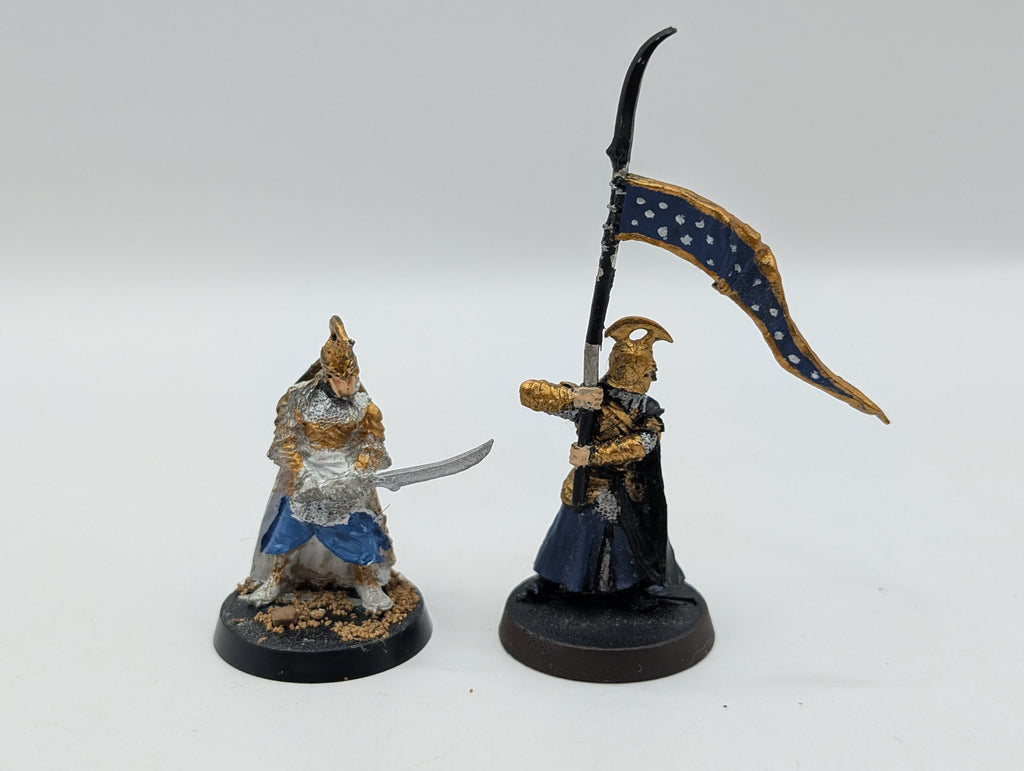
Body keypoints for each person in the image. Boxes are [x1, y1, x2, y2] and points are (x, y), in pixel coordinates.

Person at [519, 316, 684, 602]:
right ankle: (551, 580)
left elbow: (642, 444)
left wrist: (593, 455)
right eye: (647, 373)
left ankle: (631, 588)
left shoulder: (646, 409)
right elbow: (528, 393)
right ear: (630, 372)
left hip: (627, 488)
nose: (651, 379)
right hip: (588, 485)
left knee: (627, 543)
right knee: (571, 535)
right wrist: (575, 398)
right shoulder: (592, 400)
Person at [244, 316, 395, 613]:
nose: (348, 385)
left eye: (352, 377)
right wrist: (303, 473)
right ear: (327, 375)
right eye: (341, 378)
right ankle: (277, 578)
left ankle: (367, 582)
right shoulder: (298, 398)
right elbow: (285, 439)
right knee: (288, 528)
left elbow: (373, 444)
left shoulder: (365, 407)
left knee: (358, 528)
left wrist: (357, 471)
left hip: (347, 475)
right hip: (306, 474)